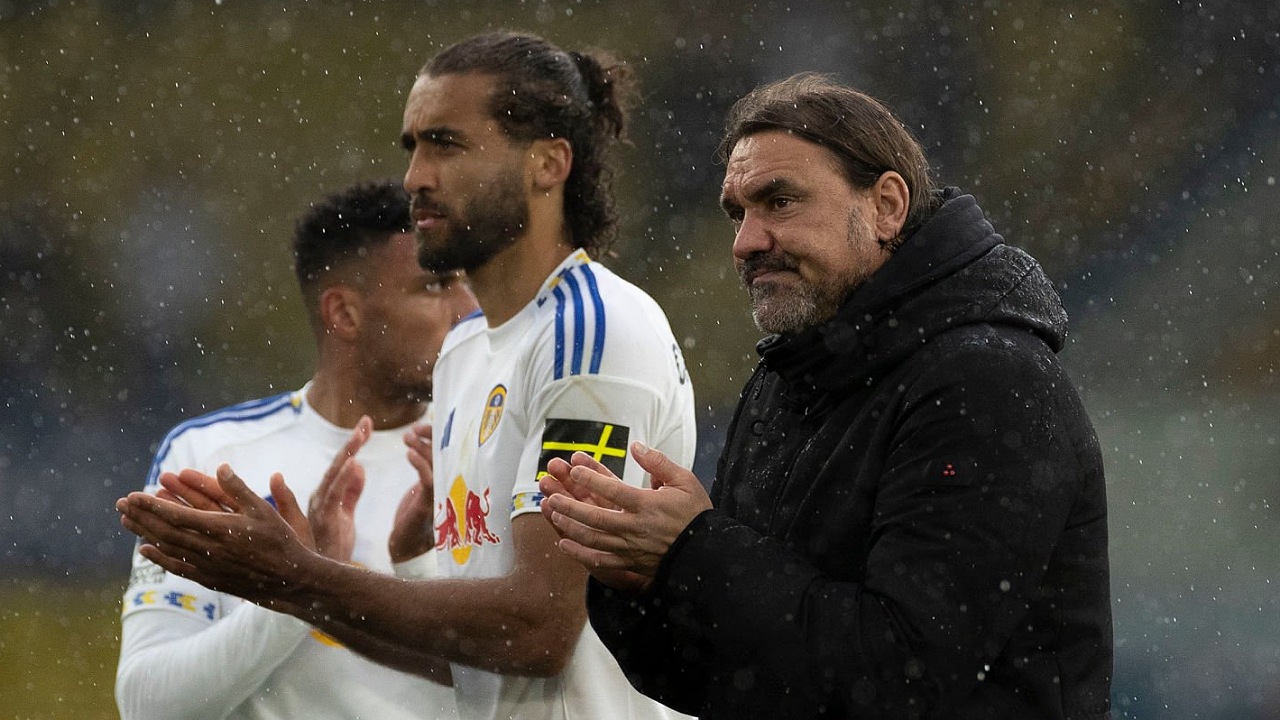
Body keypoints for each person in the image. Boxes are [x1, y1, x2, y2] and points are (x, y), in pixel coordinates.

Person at [116, 31, 697, 720]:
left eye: (446, 145)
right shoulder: (466, 354)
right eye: (413, 147)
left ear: (548, 164)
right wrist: (291, 589)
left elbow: (541, 629)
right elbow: (474, 666)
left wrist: (298, 576)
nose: (416, 176)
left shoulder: (590, 332)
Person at [538, 73, 1113, 719]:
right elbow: (722, 679)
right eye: (737, 213)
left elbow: (902, 676)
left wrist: (695, 550)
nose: (746, 243)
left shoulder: (987, 382)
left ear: (886, 206)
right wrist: (642, 581)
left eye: (779, 201)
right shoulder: (790, 374)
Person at [114, 180, 475, 719]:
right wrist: (292, 588)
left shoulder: (490, 446)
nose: (469, 309)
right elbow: (149, 705)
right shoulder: (213, 456)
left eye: (466, 282)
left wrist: (319, 581)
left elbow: (527, 670)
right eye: (435, 286)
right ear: (344, 314)